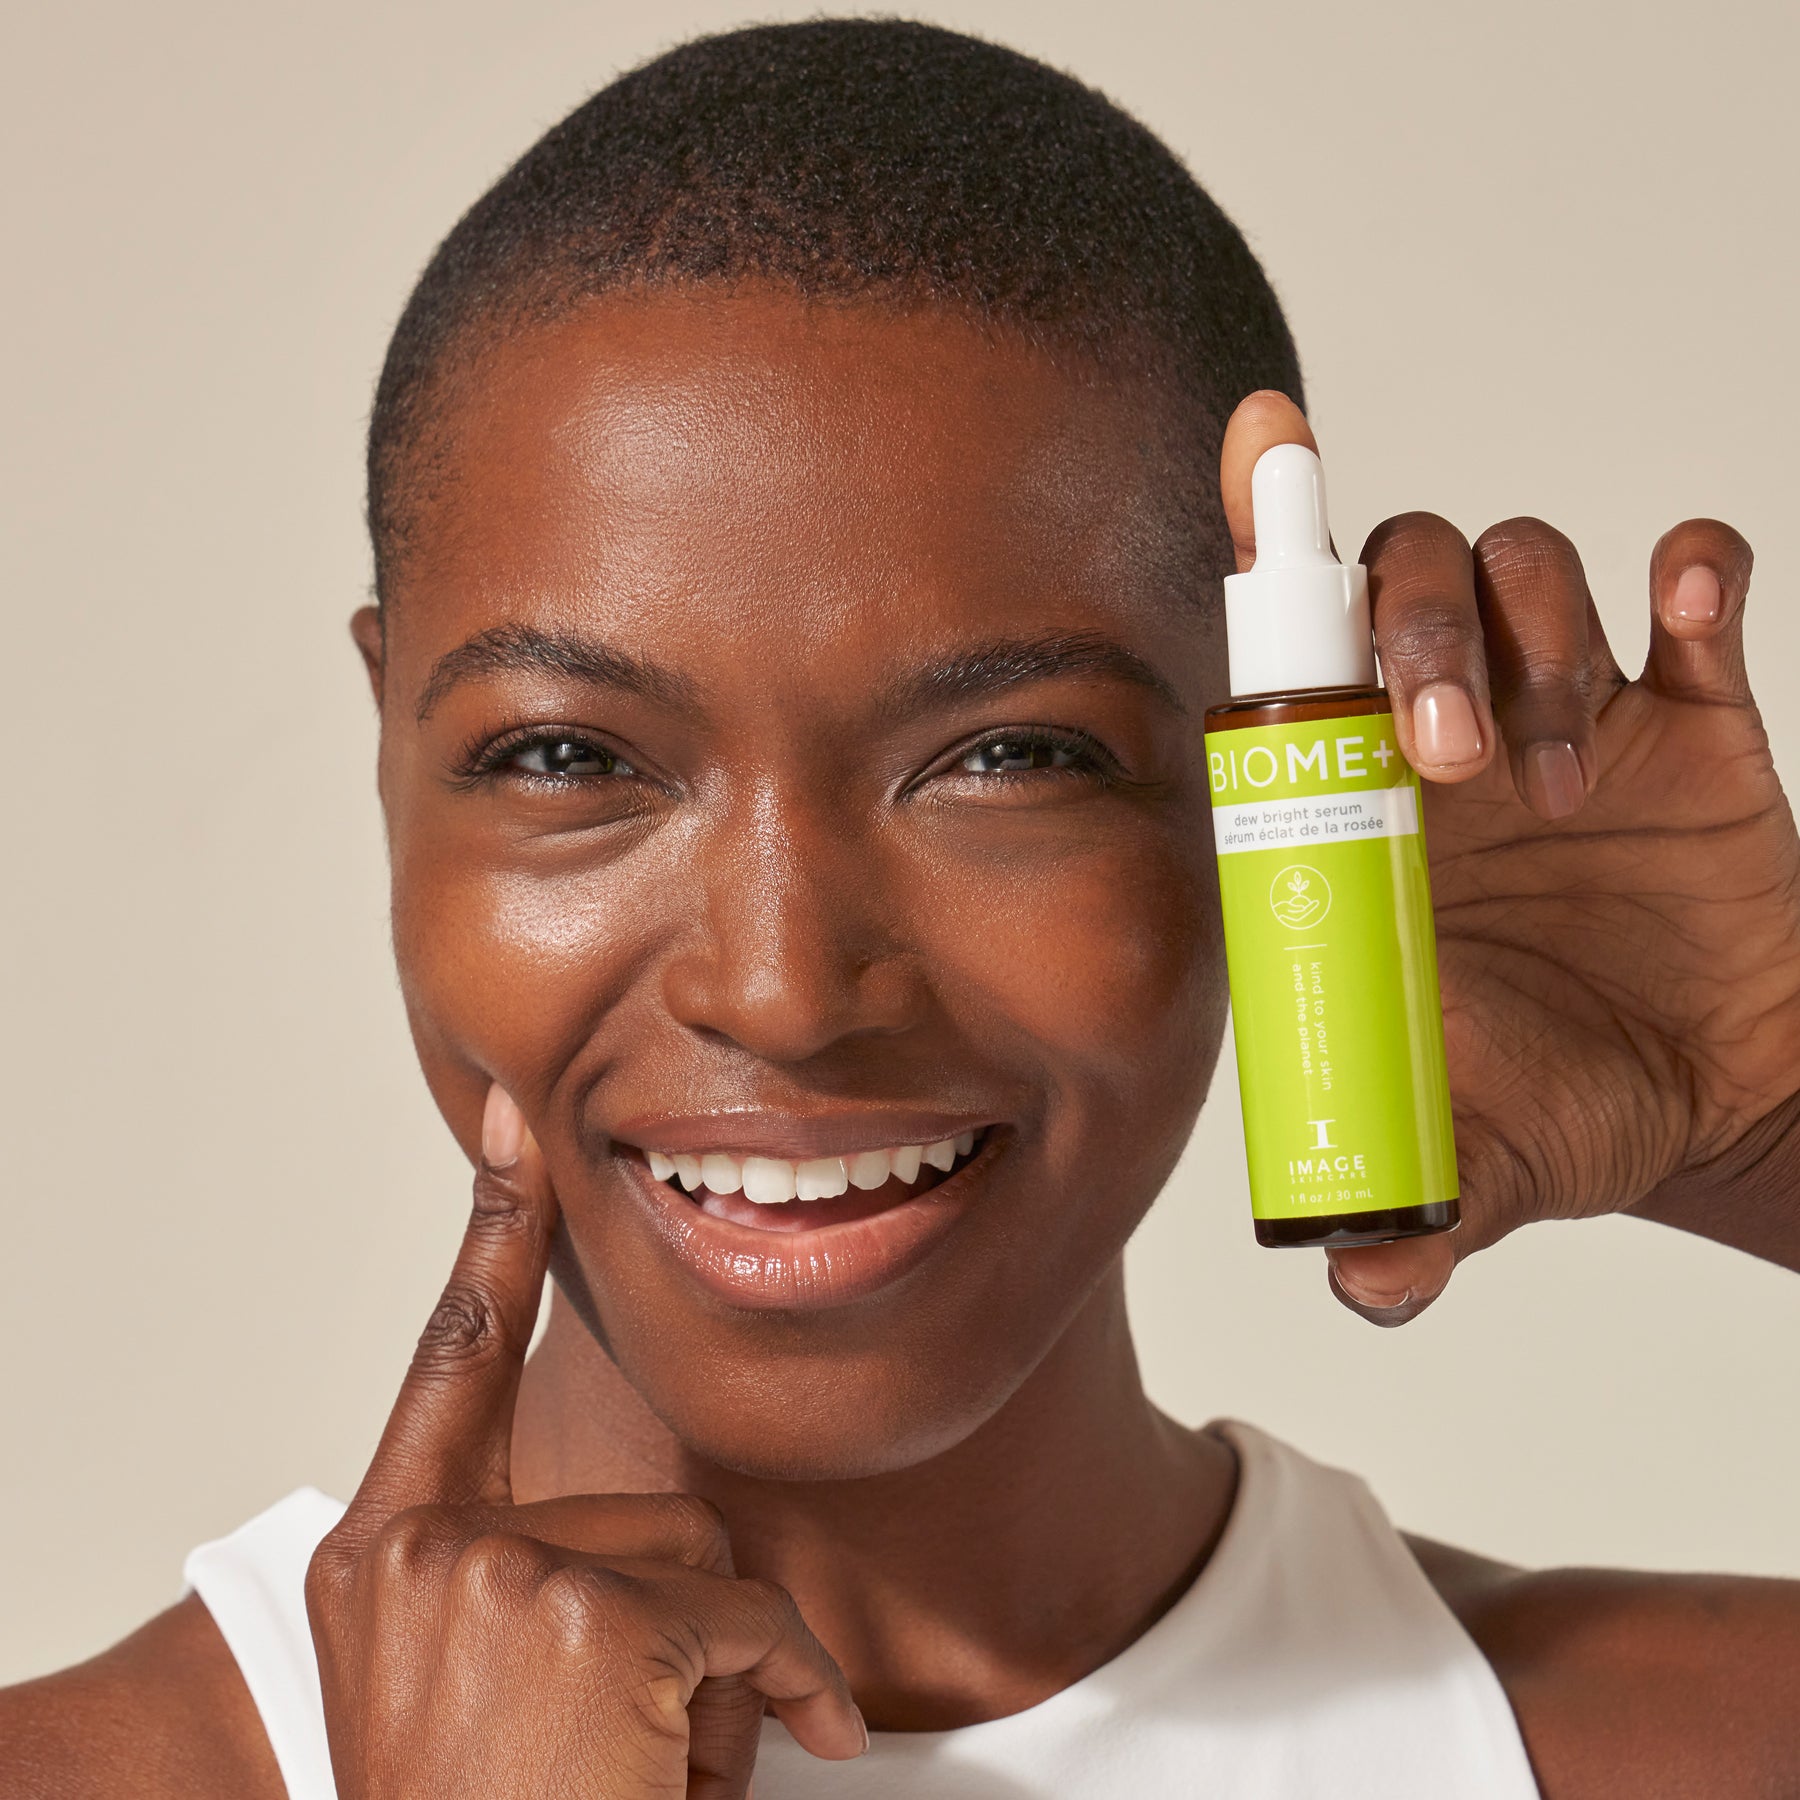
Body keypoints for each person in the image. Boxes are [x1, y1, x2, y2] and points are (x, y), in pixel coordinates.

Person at [4, 18, 1797, 1798]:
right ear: (389, 750)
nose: (783, 990)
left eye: (1009, 755)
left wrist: (1769, 1116)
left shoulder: (1691, 1745)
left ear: (1270, 778)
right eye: (565, 760)